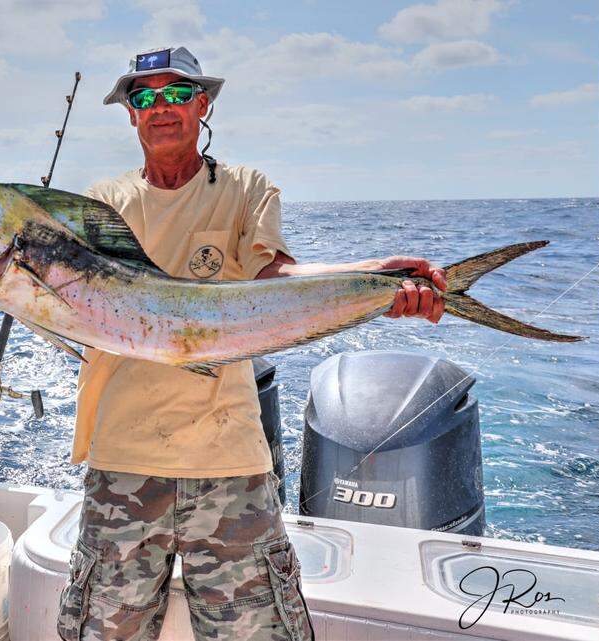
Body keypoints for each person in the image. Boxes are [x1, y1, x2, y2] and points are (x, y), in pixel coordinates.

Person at [57, 46, 446, 641]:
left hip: (230, 462)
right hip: (122, 462)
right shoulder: (101, 204)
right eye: (145, 97)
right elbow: (69, 300)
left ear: (202, 104)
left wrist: (377, 276)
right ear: (130, 115)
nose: (162, 107)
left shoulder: (244, 189)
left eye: (177, 93)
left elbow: (276, 278)